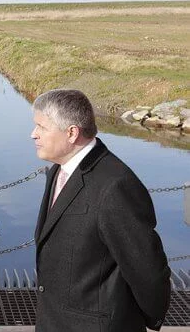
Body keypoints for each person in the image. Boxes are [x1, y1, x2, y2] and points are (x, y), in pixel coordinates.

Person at [30, 89, 170, 332]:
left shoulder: (116, 185)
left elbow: (147, 269)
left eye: (41, 127)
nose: (34, 135)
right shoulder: (58, 171)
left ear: (71, 133)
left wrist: (144, 320)